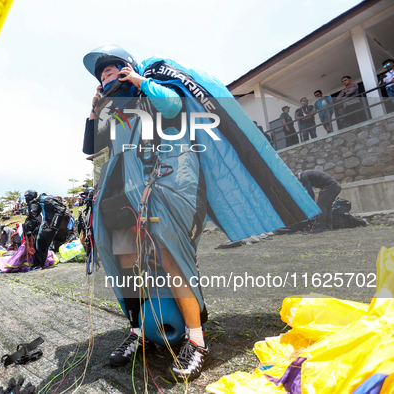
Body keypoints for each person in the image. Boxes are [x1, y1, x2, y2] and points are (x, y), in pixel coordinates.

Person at [83, 45, 319, 383]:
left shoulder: (150, 90)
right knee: (126, 260)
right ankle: (137, 331)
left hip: (165, 186)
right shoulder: (117, 110)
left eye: (111, 71)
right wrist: (95, 112)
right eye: (101, 75)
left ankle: (196, 341)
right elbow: (91, 148)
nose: (106, 77)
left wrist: (139, 81)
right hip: (122, 196)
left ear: (127, 69)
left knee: (171, 258)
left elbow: (173, 105)